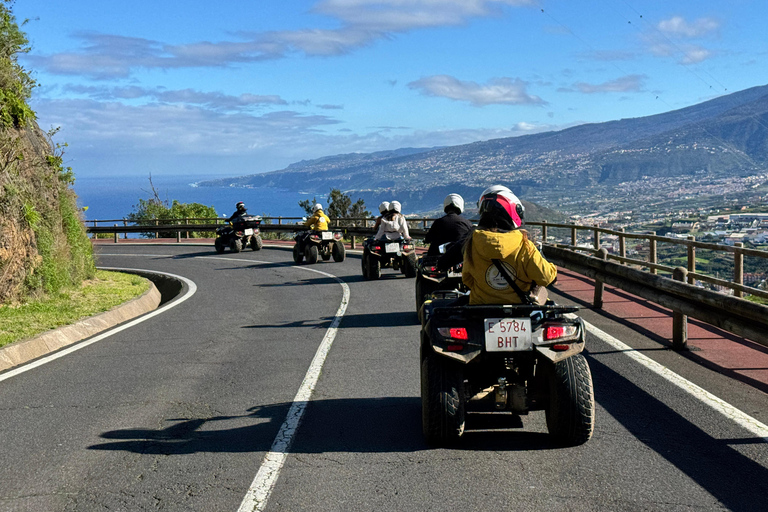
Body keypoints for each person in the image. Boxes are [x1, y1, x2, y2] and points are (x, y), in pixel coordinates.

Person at [462, 185, 557, 305]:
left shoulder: (472, 242)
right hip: (521, 310)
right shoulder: (523, 243)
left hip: (481, 308)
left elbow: (467, 279)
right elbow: (546, 277)